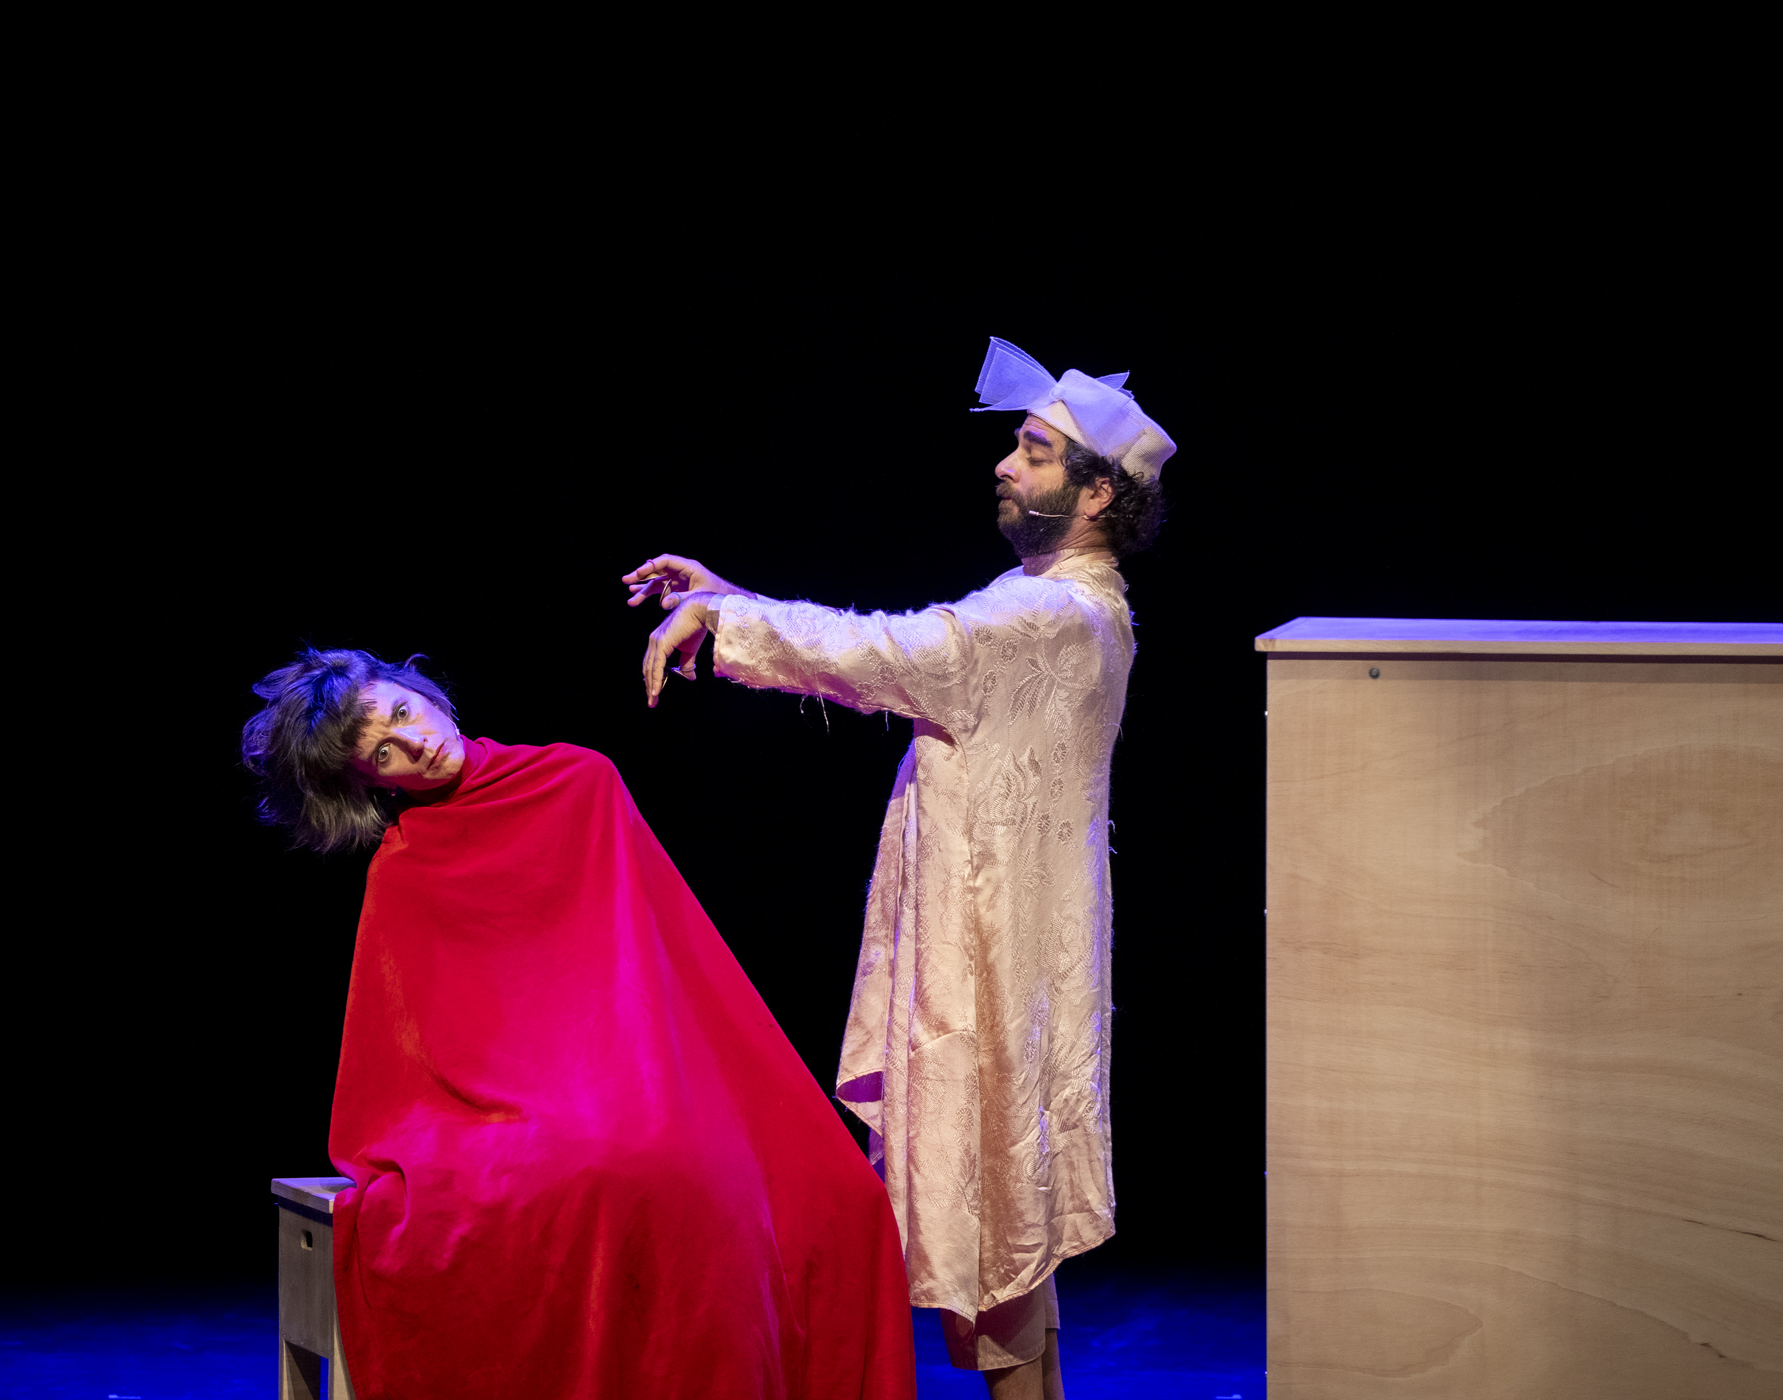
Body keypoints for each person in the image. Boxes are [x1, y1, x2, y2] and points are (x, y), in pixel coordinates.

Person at [626, 337, 1173, 1398]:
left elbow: (895, 654)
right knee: (1010, 1218)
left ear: (1097, 491)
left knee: (997, 1219)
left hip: (991, 960)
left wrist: (727, 617)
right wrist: (734, 598)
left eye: (1033, 451)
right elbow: (908, 647)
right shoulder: (1070, 601)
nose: (1004, 465)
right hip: (1007, 946)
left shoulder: (1050, 614)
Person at [241, 648, 915, 1400]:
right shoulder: (404, 866)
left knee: (839, 1196)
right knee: (612, 1173)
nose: (415, 743)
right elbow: (421, 1041)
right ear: (372, 783)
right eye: (382, 755)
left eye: (403, 713)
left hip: (639, 1063)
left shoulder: (576, 780)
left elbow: (655, 956)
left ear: (420, 690)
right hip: (512, 1106)